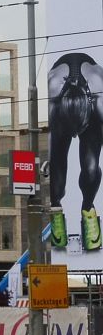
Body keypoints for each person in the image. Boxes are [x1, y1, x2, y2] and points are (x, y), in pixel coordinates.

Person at [47, 52, 103, 251]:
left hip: (91, 118)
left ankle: (88, 208)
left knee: (90, 168)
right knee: (56, 176)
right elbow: (51, 150)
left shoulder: (98, 89)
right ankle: (56, 207)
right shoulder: (52, 90)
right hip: (60, 117)